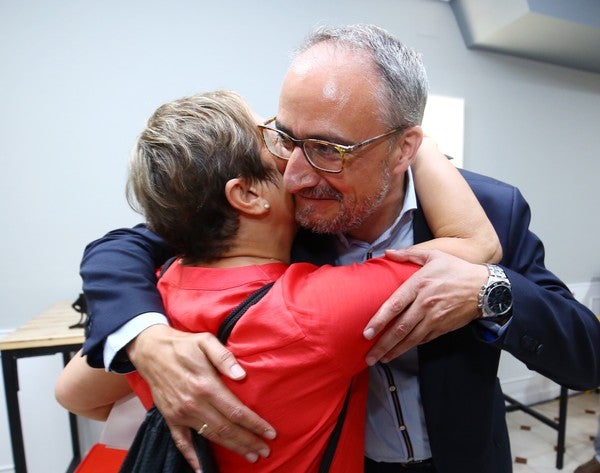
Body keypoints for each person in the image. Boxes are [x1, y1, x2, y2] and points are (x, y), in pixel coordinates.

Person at [79, 25, 600, 473]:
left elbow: (586, 355)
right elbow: (122, 246)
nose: (298, 172)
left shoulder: (491, 206)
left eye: (329, 149)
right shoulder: (283, 214)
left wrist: (493, 290)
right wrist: (144, 336)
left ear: (403, 149)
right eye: (285, 137)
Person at [57, 89, 500, 472]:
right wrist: (417, 146)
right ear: (247, 195)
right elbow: (473, 244)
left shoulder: (158, 297)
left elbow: (75, 394)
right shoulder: (311, 310)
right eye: (274, 139)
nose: (294, 155)